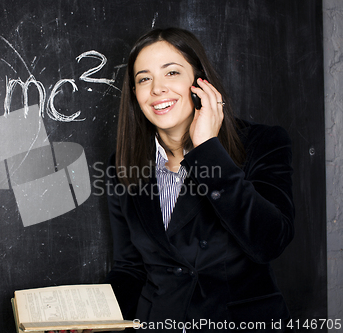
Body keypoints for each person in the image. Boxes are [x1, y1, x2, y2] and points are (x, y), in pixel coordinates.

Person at [103, 27, 295, 332]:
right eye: (144, 79)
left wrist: (208, 149)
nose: (156, 89)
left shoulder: (261, 143)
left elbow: (269, 242)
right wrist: (98, 318)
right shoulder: (122, 165)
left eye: (172, 73)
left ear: (200, 82)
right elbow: (131, 268)